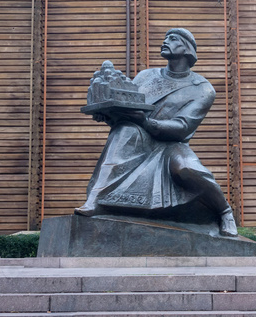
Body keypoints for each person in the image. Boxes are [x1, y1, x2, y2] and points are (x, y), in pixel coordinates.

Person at [75, 28, 238, 237]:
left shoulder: (202, 88)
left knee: (187, 168)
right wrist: (109, 114)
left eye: (173, 38)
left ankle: (224, 211)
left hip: (171, 144)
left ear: (187, 48)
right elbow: (128, 107)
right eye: (165, 37)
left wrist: (145, 121)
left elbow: (183, 127)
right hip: (140, 136)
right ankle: (95, 200)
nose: (165, 41)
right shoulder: (145, 76)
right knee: (123, 131)